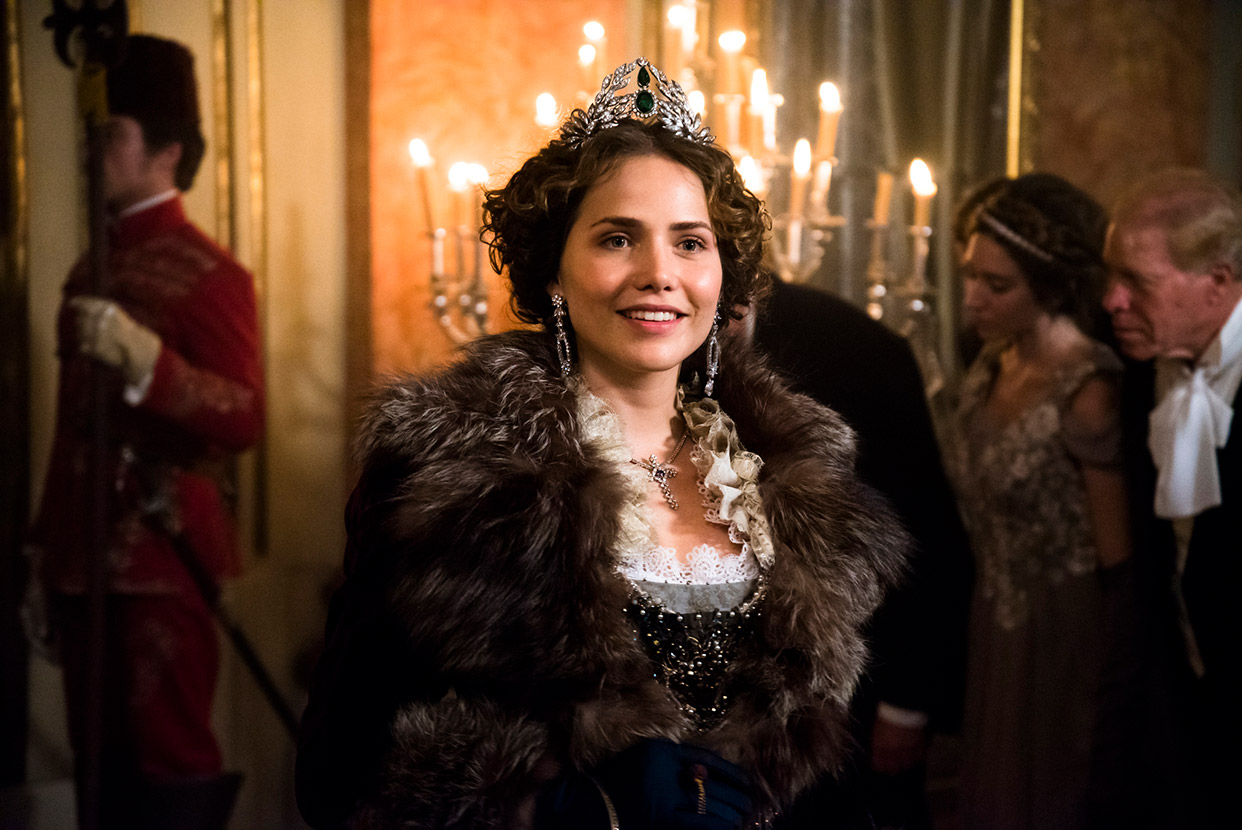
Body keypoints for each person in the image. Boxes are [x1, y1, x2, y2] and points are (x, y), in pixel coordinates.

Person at [296, 58, 907, 829]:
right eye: (618, 238)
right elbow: (336, 776)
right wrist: (570, 804)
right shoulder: (447, 482)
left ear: (723, 274)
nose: (659, 274)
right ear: (554, 273)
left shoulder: (793, 482)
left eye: (691, 243)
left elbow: (824, 773)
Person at [24, 35, 264, 828]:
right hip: (82, 553)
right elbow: (70, 429)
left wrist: (150, 363)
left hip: (162, 552)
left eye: (113, 134)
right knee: (96, 769)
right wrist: (43, 550)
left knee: (169, 764)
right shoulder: (89, 269)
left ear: (167, 150)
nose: (94, 151)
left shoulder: (212, 275)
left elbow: (244, 414)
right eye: (92, 135)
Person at [752, 281, 973, 830]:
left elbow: (927, 533)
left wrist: (907, 703)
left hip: (863, 685)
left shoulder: (860, 350)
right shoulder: (666, 350)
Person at [950, 173, 1132, 829]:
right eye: (970, 276)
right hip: (993, 621)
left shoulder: (1088, 388)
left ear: (1051, 288)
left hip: (1065, 639)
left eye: (997, 286)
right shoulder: (989, 366)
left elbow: (1119, 565)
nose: (973, 298)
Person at [1102, 168, 1242, 828]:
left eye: (1138, 281)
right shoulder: (1141, 366)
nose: (1113, 301)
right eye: (1110, 276)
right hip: (1179, 704)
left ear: (1218, 280)